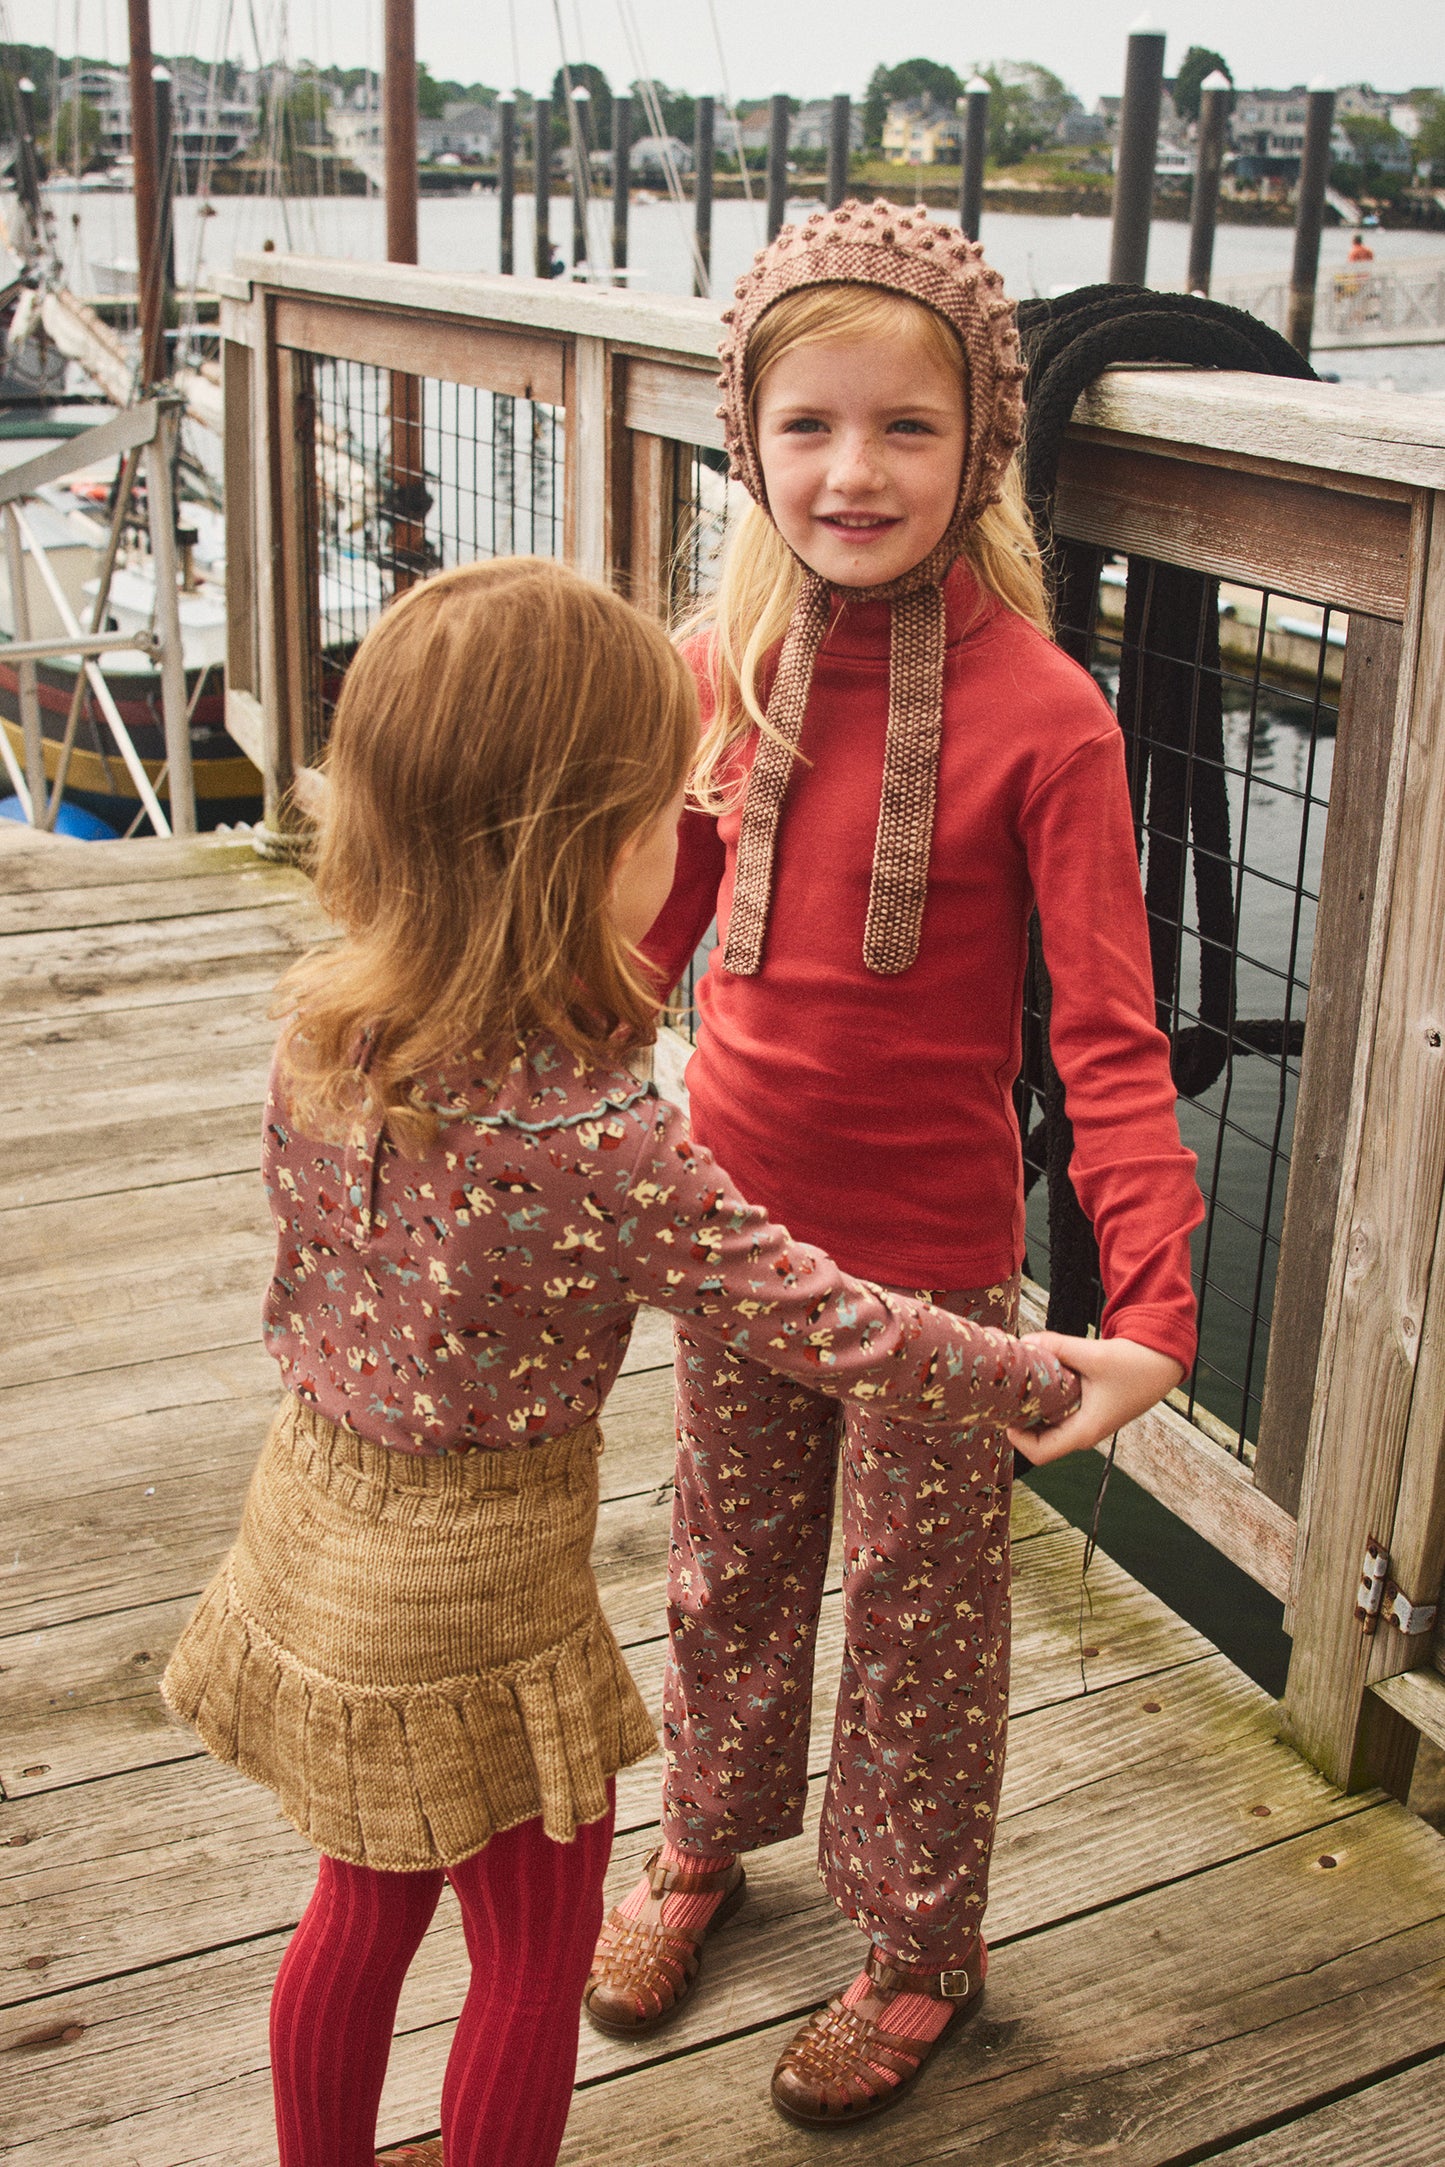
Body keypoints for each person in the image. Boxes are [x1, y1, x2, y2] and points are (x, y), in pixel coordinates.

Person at [160, 554, 1080, 2167]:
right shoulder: (601, 1140)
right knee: (526, 1956)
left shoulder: (326, 1030)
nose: (685, 850)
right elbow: (828, 1322)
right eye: (663, 812)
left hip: (311, 1539)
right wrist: (1039, 1378)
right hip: (480, 1606)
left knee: (355, 1913)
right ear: (588, 852)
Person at [584, 202, 1204, 2127]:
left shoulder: (1050, 717)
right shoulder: (715, 670)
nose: (852, 472)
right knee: (725, 1567)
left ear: (980, 447)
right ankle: (702, 1833)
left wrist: (1154, 1316)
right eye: (807, 428)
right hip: (728, 1234)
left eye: (905, 429)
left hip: (929, 1278)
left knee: (924, 1631)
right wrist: (512, 1090)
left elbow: (1106, 1045)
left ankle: (925, 1941)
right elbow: (641, 954)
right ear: (749, 444)